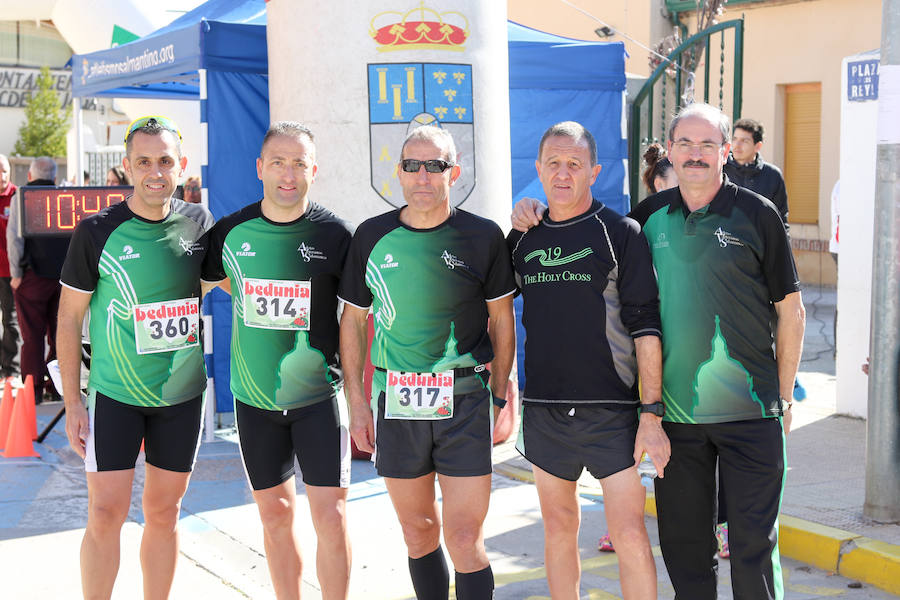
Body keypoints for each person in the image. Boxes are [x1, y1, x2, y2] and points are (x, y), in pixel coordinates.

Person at [513, 103, 805, 599]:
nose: (695, 154)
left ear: (725, 152)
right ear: (669, 150)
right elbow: (587, 237)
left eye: (707, 144)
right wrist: (532, 213)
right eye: (685, 144)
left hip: (753, 412)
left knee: (753, 548)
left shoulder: (759, 214)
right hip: (676, 419)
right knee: (686, 554)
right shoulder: (646, 220)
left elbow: (791, 311)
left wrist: (784, 396)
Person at [339, 125, 515, 600]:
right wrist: (357, 402)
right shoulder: (371, 236)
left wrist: (500, 394)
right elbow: (352, 322)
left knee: (464, 538)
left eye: (434, 166)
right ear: (398, 172)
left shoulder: (482, 236)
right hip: (398, 401)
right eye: (412, 165)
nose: (422, 176)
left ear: (453, 173)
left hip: (466, 400)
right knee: (418, 532)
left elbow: (502, 321)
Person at [507, 121, 668, 599]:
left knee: (629, 533)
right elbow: (492, 311)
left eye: (574, 164)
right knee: (558, 528)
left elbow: (646, 328)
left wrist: (651, 413)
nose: (563, 173)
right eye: (553, 163)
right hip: (545, 410)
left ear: (594, 172)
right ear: (539, 169)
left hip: (612, 412)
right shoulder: (522, 238)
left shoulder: (619, 232)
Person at [57, 116, 214, 599]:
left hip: (180, 395)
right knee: (106, 513)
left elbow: (232, 283)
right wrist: (73, 402)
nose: (155, 172)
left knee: (164, 513)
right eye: (143, 162)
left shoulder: (200, 223)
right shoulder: (96, 231)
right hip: (115, 395)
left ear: (181, 166)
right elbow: (68, 319)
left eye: (165, 161)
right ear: (127, 167)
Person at [201, 122, 352, 599]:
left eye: (299, 164)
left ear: (314, 170)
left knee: (331, 516)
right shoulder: (230, 232)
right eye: (279, 163)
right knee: (275, 515)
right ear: (260, 167)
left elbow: (358, 317)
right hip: (255, 400)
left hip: (319, 399)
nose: (289, 174)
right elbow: (200, 286)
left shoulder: (335, 235)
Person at [7, 156, 67, 401]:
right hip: (63, 278)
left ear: (30, 175)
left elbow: (14, 239)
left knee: (32, 336)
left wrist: (16, 274)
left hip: (33, 277)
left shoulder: (21, 197)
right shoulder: (66, 198)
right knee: (61, 334)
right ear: (54, 177)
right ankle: (57, 387)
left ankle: (33, 392)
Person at [723, 118, 789, 225]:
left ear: (758, 146)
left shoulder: (773, 175)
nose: (737, 145)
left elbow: (781, 218)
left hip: (759, 235)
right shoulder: (720, 169)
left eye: (744, 141)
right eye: (735, 139)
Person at [0, 155, 19, 378]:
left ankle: (11, 370)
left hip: (9, 272)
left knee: (10, 321)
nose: (1, 176)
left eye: (4, 170)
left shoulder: (17, 197)